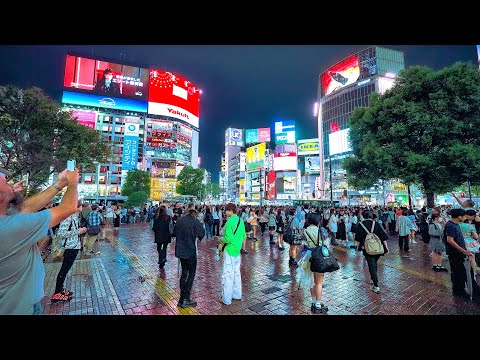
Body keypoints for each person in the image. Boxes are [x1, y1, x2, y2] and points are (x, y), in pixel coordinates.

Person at [0, 167, 79, 314]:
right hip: (21, 309)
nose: (10, 182)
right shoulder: (10, 227)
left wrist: (59, 185)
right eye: (5, 181)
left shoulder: (8, 219)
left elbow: (26, 208)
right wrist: (73, 183)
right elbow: (68, 208)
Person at [51, 200, 87, 303]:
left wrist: (80, 230)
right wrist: (78, 231)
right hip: (69, 247)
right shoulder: (67, 217)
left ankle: (60, 290)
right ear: (75, 207)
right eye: (80, 206)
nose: (82, 208)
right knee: (64, 270)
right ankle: (57, 293)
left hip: (74, 246)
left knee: (65, 270)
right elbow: (61, 233)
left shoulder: (75, 216)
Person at [296, 212, 330, 314]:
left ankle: (314, 302)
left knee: (311, 281)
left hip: (308, 257)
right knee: (319, 282)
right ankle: (318, 305)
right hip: (319, 256)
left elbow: (302, 245)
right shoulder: (322, 230)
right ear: (318, 220)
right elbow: (327, 244)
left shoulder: (304, 231)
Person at [443, 208, 480, 300]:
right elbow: (450, 240)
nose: (465, 217)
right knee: (458, 272)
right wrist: (464, 251)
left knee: (463, 272)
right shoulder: (451, 225)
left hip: (459, 253)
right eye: (464, 216)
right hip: (455, 254)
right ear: (459, 216)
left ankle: (468, 290)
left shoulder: (455, 225)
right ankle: (459, 291)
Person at [172, 208, 205, 308]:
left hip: (181, 251)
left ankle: (182, 299)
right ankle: (186, 298)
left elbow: (173, 233)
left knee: (184, 274)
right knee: (191, 274)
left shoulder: (180, 220)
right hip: (190, 251)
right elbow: (201, 234)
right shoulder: (195, 222)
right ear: (194, 215)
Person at [355, 210, 389, 294]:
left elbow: (358, 238)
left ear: (363, 216)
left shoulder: (361, 225)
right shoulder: (376, 224)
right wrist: (386, 248)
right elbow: (383, 237)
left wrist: (358, 247)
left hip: (367, 248)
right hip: (378, 248)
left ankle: (376, 285)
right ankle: (373, 279)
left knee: (371, 265)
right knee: (374, 264)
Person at [219, 203, 246, 305]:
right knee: (236, 273)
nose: (225, 212)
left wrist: (220, 239)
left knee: (228, 274)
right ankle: (237, 294)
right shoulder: (241, 221)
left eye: (226, 210)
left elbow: (228, 238)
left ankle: (226, 299)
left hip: (229, 250)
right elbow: (244, 236)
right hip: (237, 251)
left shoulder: (230, 221)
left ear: (230, 210)